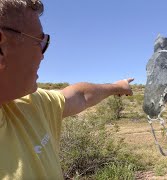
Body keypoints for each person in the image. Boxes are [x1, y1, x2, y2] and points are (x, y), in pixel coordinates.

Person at [0, 0, 133, 179]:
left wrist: (119, 86)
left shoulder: (30, 102)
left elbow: (81, 95)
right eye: (40, 42)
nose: (43, 55)